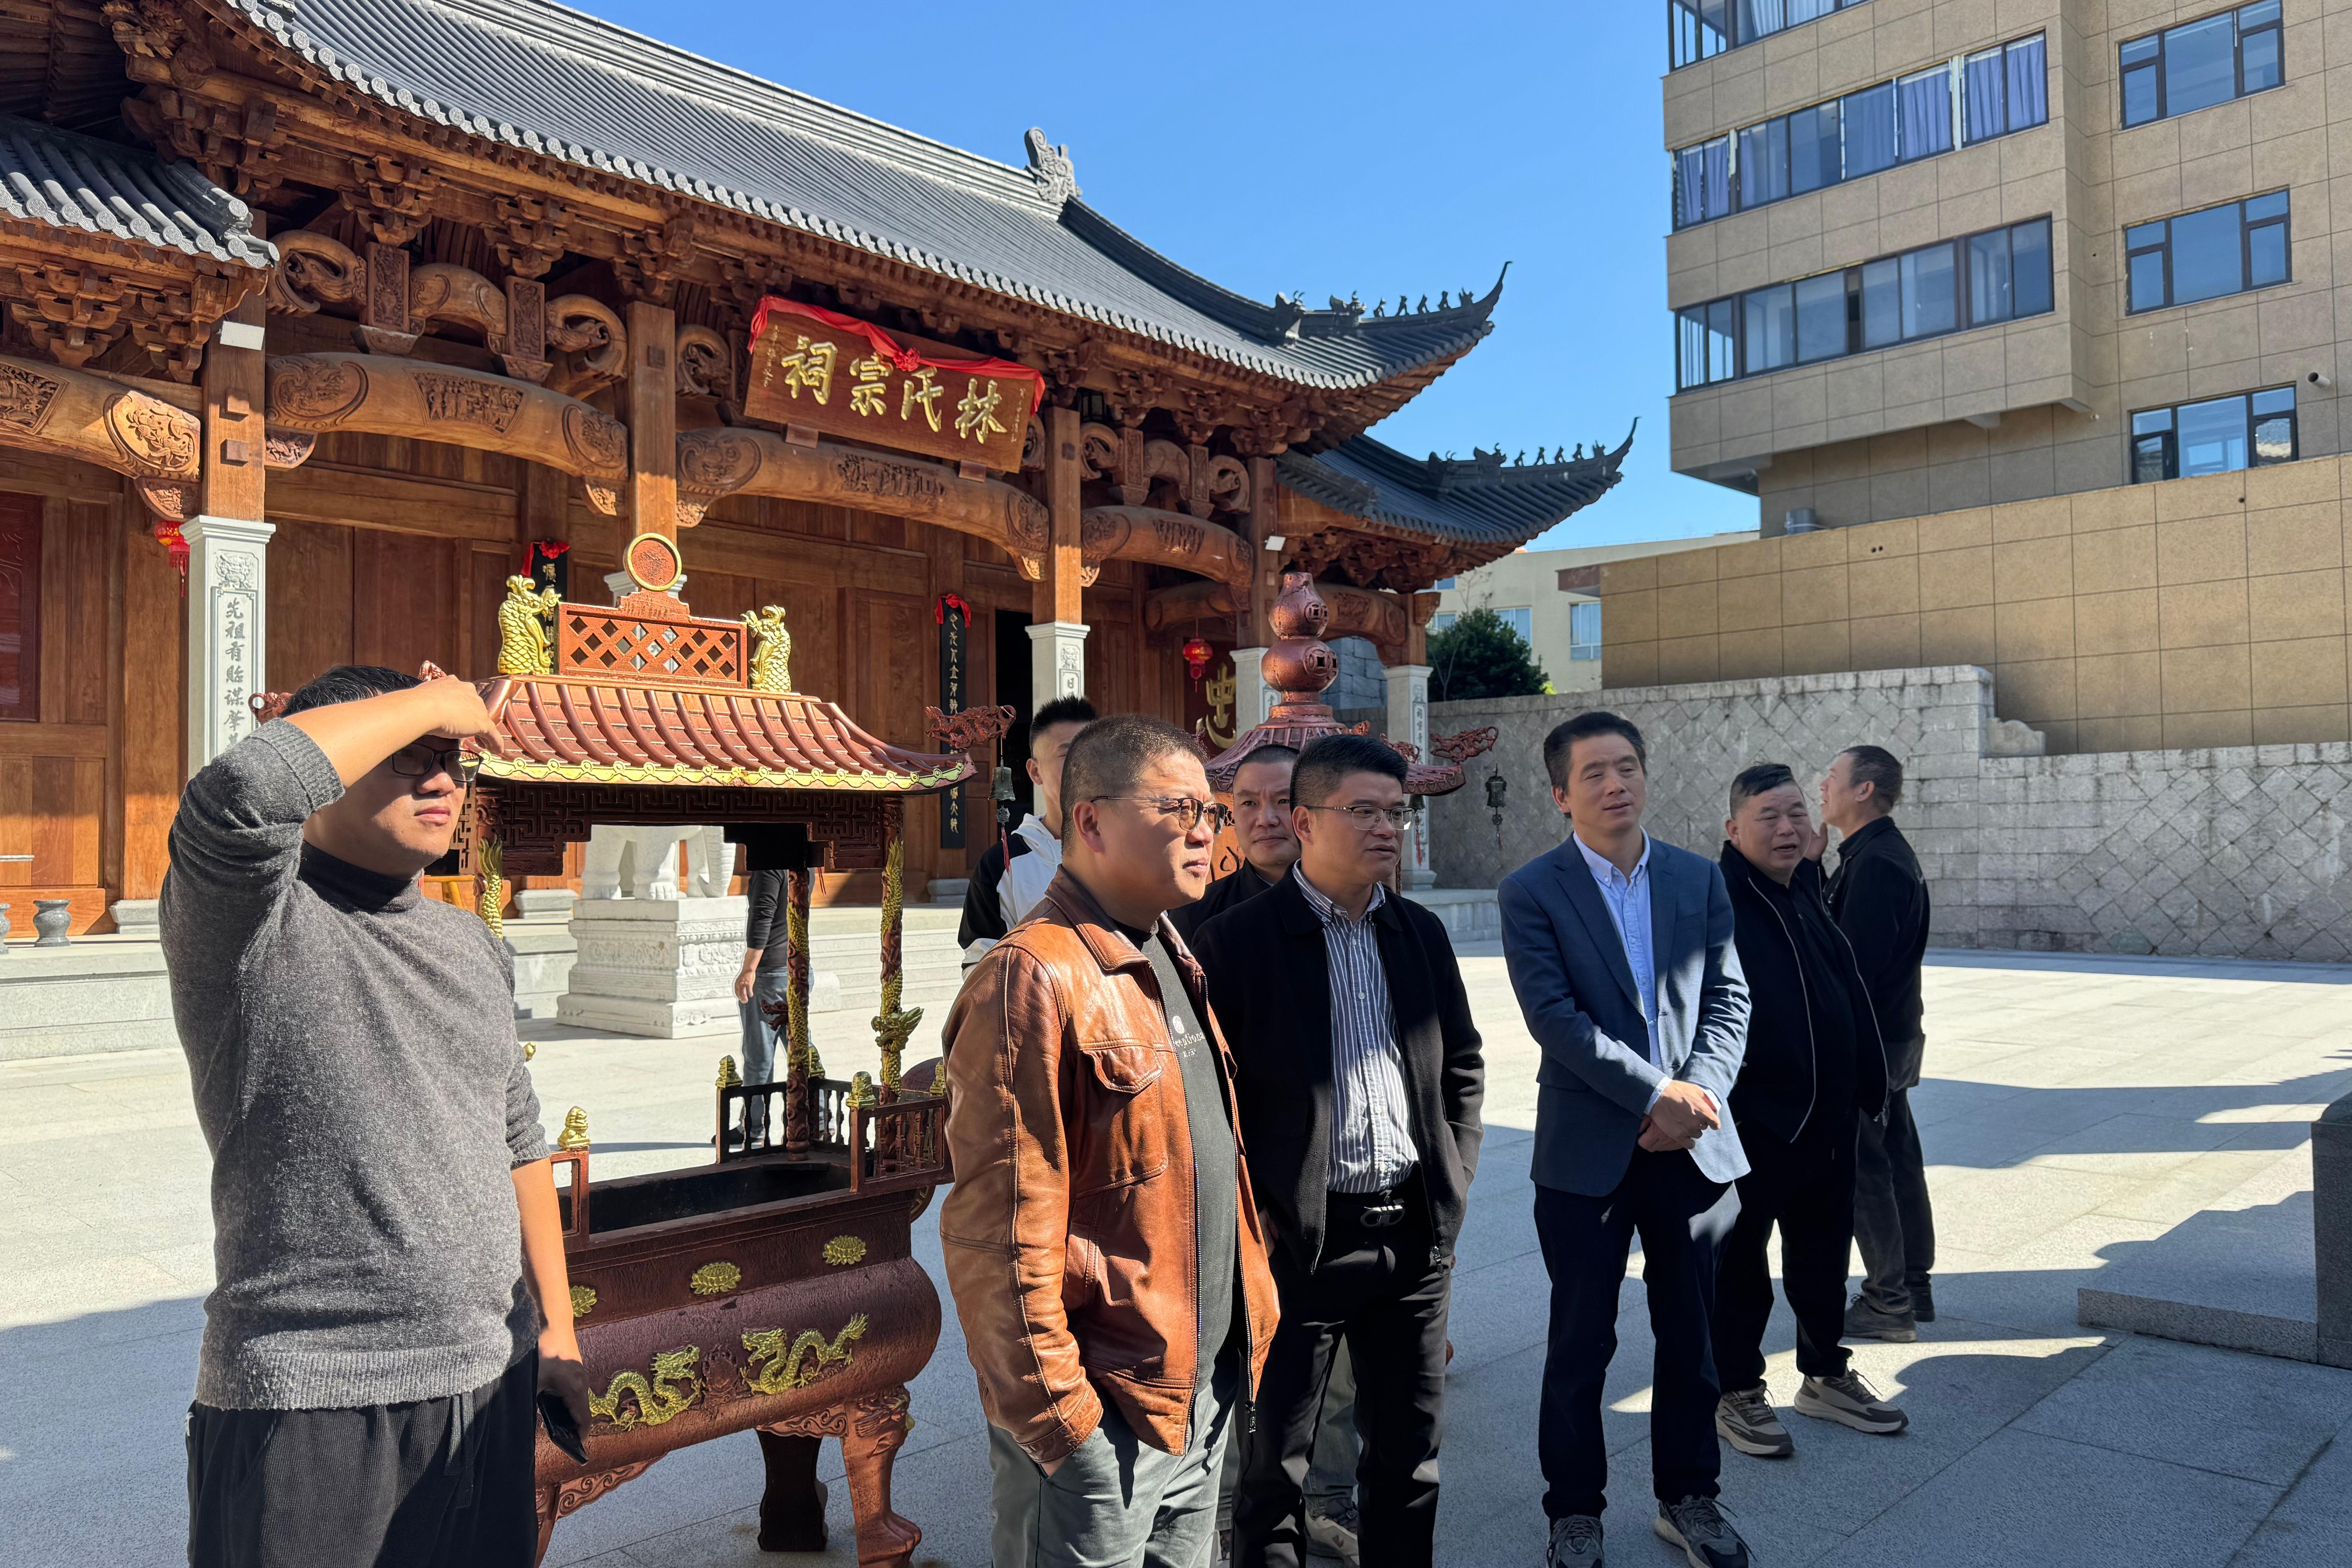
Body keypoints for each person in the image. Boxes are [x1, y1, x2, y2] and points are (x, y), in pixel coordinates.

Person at [163, 665, 592, 1568]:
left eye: (452, 760)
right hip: (311, 1398)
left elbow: (516, 1136)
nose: (442, 780)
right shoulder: (251, 922)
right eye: (407, 755)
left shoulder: (471, 943)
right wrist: (438, 701)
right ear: (326, 773)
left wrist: (555, 1326)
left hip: (488, 1379)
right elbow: (238, 794)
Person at [941, 713, 1279, 1568]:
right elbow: (998, 1232)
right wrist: (1064, 1423)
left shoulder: (1168, 946)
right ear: (1089, 819)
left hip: (1195, 1391)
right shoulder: (1033, 974)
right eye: (1179, 809)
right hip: (1103, 1411)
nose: (1207, 831)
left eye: (1212, 811)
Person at [1198, 733, 1483, 1568]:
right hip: (1299, 1243)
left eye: (1397, 812)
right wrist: (1257, 1218)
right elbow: (1210, 1102)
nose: (1386, 827)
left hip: (1412, 1238)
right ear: (1305, 821)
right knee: (1274, 1469)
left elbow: (1461, 1064)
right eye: (1364, 810)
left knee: (1408, 1457)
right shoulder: (1236, 942)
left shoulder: (1420, 933)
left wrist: (1453, 1179)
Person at [1497, 711, 1753, 1568]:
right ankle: (1574, 1510)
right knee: (1580, 1340)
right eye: (1594, 773)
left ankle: (1690, 1497)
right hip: (1585, 1154)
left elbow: (1729, 999)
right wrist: (1657, 1094)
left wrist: (1697, 1095)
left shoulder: (1697, 876)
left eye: (1628, 767)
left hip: (1694, 1149)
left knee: (1694, 1335)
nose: (1615, 784)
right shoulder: (1531, 889)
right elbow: (1555, 1018)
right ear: (1561, 794)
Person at [1168, 743, 1363, 1565]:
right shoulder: (1198, 923)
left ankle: (1330, 1494)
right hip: (1245, 1181)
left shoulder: (1363, 911)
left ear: (1310, 809)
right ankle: (1233, 1507)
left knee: (1338, 1358)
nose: (1261, 817)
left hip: (1346, 1174)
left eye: (1279, 799)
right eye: (1242, 803)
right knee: (1237, 1352)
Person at [1711, 763, 1905, 1461]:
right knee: (1740, 1268)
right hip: (1753, 1125)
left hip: (1828, 1120)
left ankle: (1824, 1374)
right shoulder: (1717, 902)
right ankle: (1734, 1389)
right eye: (1768, 816)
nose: (1788, 828)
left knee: (1823, 1257)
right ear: (1734, 830)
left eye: (1796, 812)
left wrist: (1867, 1091)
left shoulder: (1804, 891)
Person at [1820, 745, 1937, 1341]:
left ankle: (1889, 1302)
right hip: (1892, 1033)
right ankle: (1912, 1287)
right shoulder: (1874, 854)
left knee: (1867, 1166)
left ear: (1864, 790)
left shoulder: (1877, 863)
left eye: (1832, 777)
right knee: (1896, 1156)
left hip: (1871, 1040)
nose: (1823, 787)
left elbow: (1853, 968)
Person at [959, 694, 1096, 963]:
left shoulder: (1129, 849)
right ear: (1035, 772)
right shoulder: (1000, 865)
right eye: (1068, 754)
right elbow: (981, 966)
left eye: (1093, 753)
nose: (1084, 765)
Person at [1169, 744, 1298, 947]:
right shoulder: (1197, 914)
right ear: (1233, 816)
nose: (1266, 820)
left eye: (1284, 801)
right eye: (1249, 803)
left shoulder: (1345, 902)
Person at [731, 865, 790, 1148]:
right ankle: (819, 1121)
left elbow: (763, 917)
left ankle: (753, 1128)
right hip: (796, 968)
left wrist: (749, 969)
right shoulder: (805, 865)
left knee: (759, 1055)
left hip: (770, 974)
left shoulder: (771, 867)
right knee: (803, 1052)